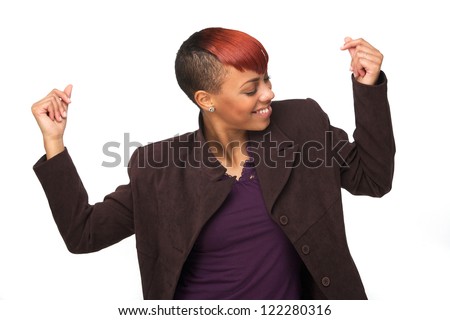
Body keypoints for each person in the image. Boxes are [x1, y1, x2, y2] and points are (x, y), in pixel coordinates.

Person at [32, 27, 395, 299]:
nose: (268, 93)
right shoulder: (158, 168)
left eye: (266, 78)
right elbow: (84, 234)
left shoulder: (302, 123)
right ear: (206, 99)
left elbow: (373, 180)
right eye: (251, 88)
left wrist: (368, 87)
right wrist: (54, 141)